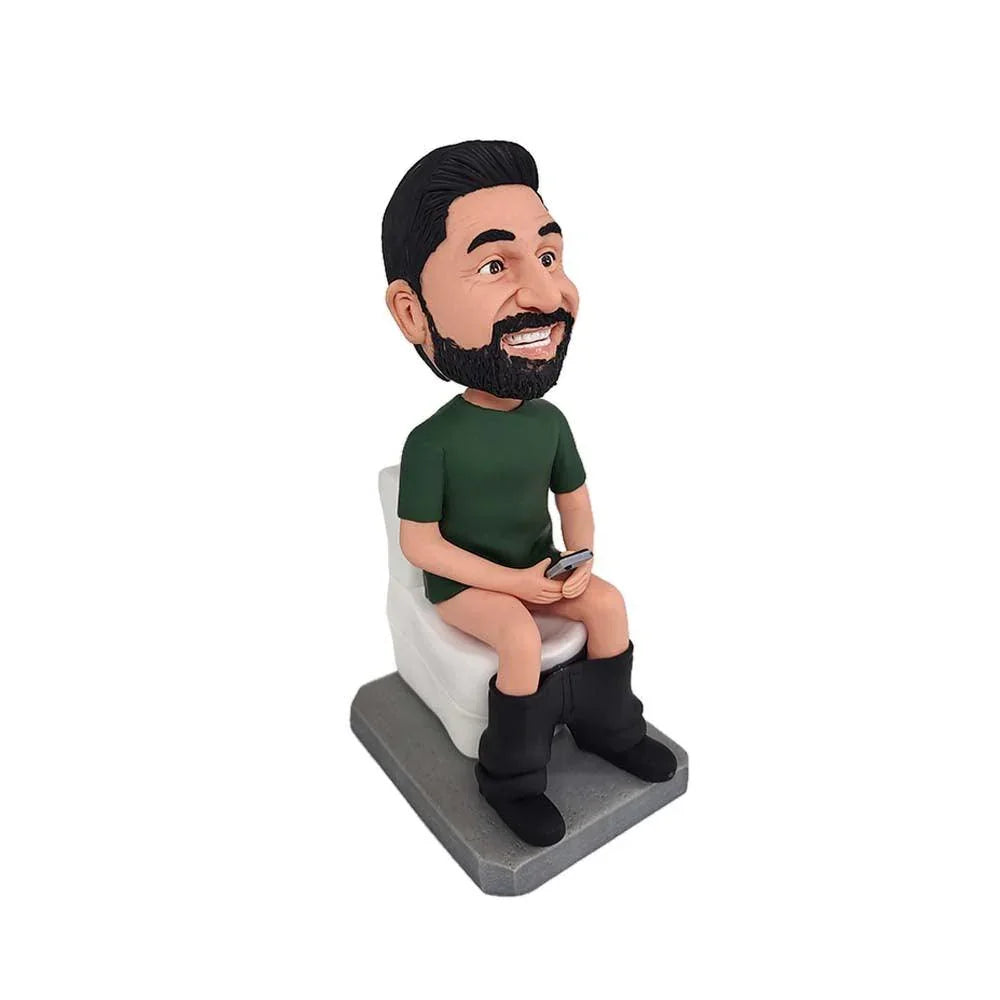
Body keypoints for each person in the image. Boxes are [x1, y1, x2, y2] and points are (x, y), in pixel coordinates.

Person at [382, 140, 676, 846]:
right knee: (516, 635)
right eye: (494, 265)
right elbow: (420, 546)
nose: (548, 295)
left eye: (548, 256)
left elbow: (574, 499)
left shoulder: (550, 424)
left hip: (537, 570)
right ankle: (511, 776)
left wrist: (581, 557)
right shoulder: (432, 441)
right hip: (469, 587)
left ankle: (611, 727)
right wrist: (513, 583)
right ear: (414, 313)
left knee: (607, 607)